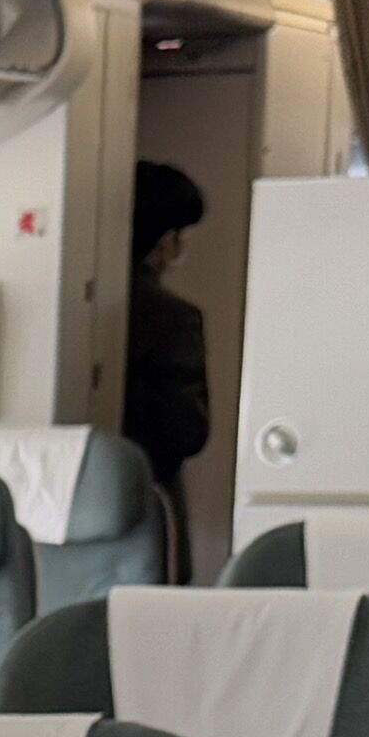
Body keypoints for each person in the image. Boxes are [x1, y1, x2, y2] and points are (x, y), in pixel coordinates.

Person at [124, 159, 218, 574]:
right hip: (152, 494)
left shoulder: (76, 301)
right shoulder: (174, 317)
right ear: (165, 240)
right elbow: (187, 431)